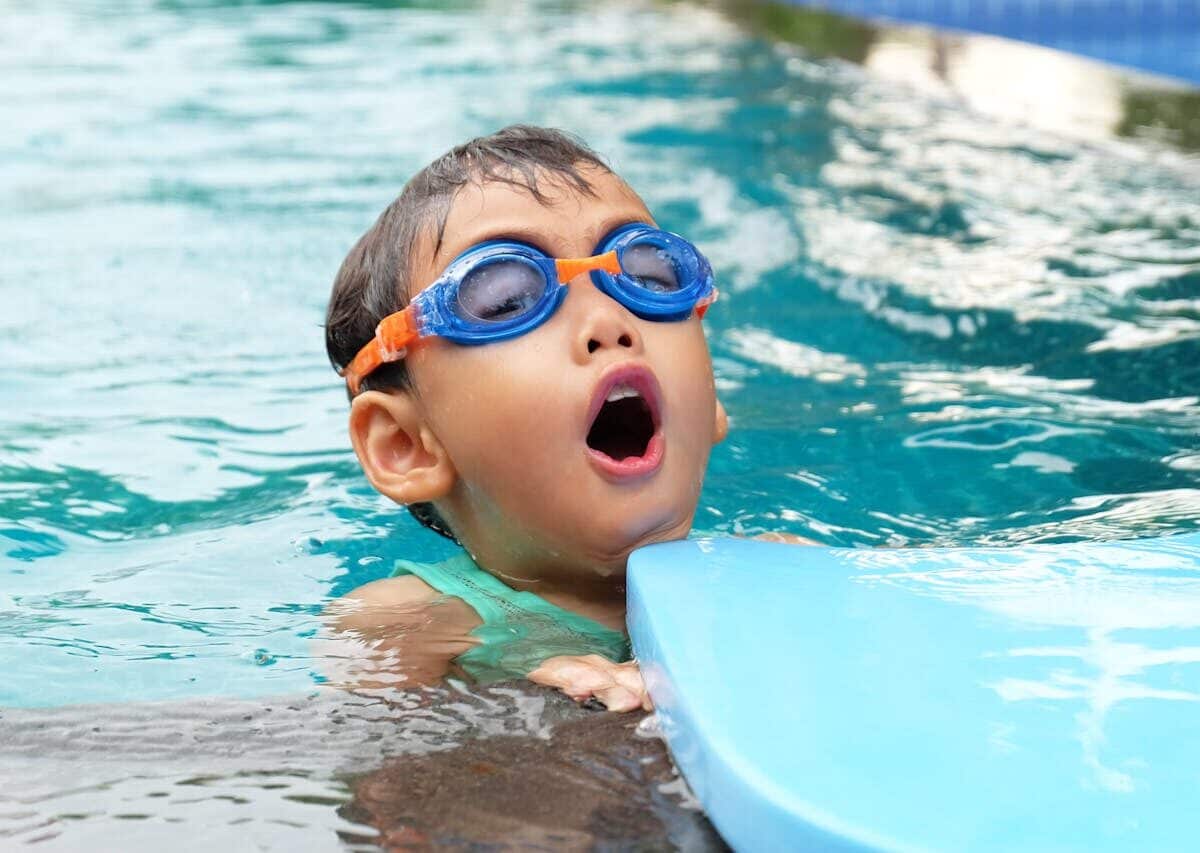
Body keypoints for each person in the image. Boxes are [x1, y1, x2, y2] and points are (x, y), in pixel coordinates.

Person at [323, 125, 798, 711]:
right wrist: (550, 721)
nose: (609, 322)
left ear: (711, 399)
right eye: (506, 298)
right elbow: (373, 787)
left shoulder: (775, 571)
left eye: (649, 276)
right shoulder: (408, 624)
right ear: (407, 446)